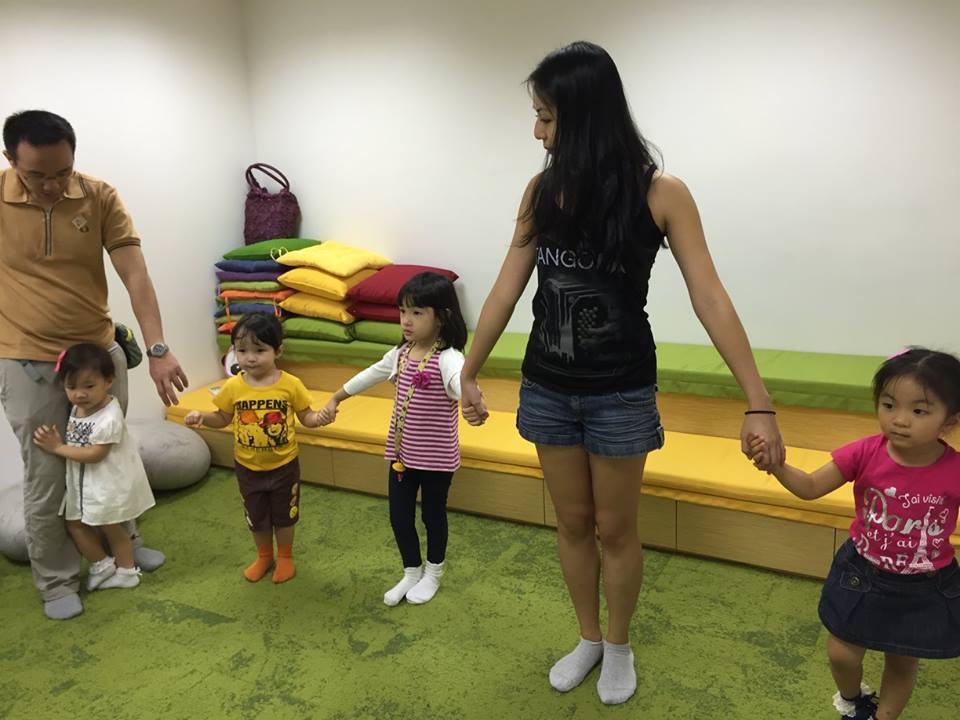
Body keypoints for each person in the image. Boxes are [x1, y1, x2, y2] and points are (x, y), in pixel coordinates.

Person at [459, 41, 785, 705]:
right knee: (572, 523)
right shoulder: (541, 192)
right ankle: (587, 637)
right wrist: (469, 369)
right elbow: (506, 288)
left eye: (546, 117)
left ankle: (618, 644)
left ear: (584, 116)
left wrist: (759, 400)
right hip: (548, 388)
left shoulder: (661, 193)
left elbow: (709, 295)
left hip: (620, 391)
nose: (537, 132)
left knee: (616, 528)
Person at [0, 110, 188, 620]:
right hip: (28, 360)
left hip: (97, 356)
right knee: (47, 474)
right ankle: (58, 580)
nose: (52, 185)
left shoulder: (98, 195)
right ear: (11, 159)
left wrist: (157, 348)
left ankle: (124, 550)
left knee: (110, 460)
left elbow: (135, 274)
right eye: (37, 175)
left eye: (62, 172)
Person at [749, 348, 960, 720]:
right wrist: (776, 466)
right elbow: (811, 486)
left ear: (950, 421)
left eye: (919, 411)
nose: (899, 420)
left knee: (902, 661)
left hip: (924, 585)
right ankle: (853, 699)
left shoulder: (954, 469)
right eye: (888, 405)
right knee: (841, 653)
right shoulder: (866, 452)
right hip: (862, 574)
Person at [319, 272, 467, 606]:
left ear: (442, 317)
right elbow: (369, 375)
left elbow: (460, 382)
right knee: (399, 517)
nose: (406, 320)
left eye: (417, 312)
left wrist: (471, 399)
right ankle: (411, 572)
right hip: (402, 455)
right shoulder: (400, 353)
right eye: (402, 312)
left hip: (436, 459)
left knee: (432, 516)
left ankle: (433, 573)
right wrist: (337, 397)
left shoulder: (448, 358)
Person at [185, 313, 321, 584]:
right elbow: (222, 418)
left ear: (278, 351)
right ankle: (264, 556)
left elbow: (307, 416)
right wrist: (203, 417)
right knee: (256, 517)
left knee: (285, 516)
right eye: (242, 350)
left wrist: (321, 418)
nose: (250, 358)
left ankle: (285, 557)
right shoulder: (233, 386)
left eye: (259, 350)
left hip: (284, 466)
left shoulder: (290, 384)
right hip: (248, 468)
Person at [33, 343, 156, 591]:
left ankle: (127, 572)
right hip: (85, 484)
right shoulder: (79, 407)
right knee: (75, 524)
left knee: (112, 529)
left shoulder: (109, 416)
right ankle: (101, 564)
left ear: (109, 381)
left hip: (106, 485)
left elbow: (96, 454)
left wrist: (57, 447)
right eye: (71, 387)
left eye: (89, 386)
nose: (79, 394)